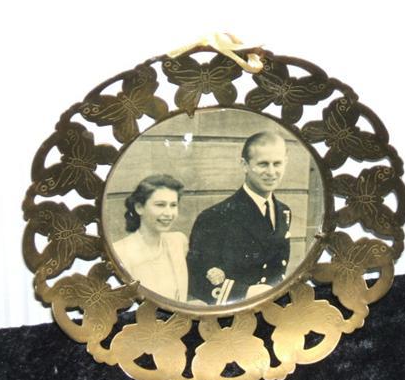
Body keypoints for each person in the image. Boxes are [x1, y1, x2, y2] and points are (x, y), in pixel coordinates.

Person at [187, 131, 292, 305]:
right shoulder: (215, 217)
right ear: (244, 165)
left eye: (277, 164)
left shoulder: (283, 212)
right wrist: (246, 293)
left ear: (285, 163)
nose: (271, 172)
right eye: (263, 164)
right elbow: (197, 280)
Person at [112, 174, 188, 302]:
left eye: (173, 205)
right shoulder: (121, 252)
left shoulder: (178, 242)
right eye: (160, 205)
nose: (168, 213)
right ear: (139, 208)